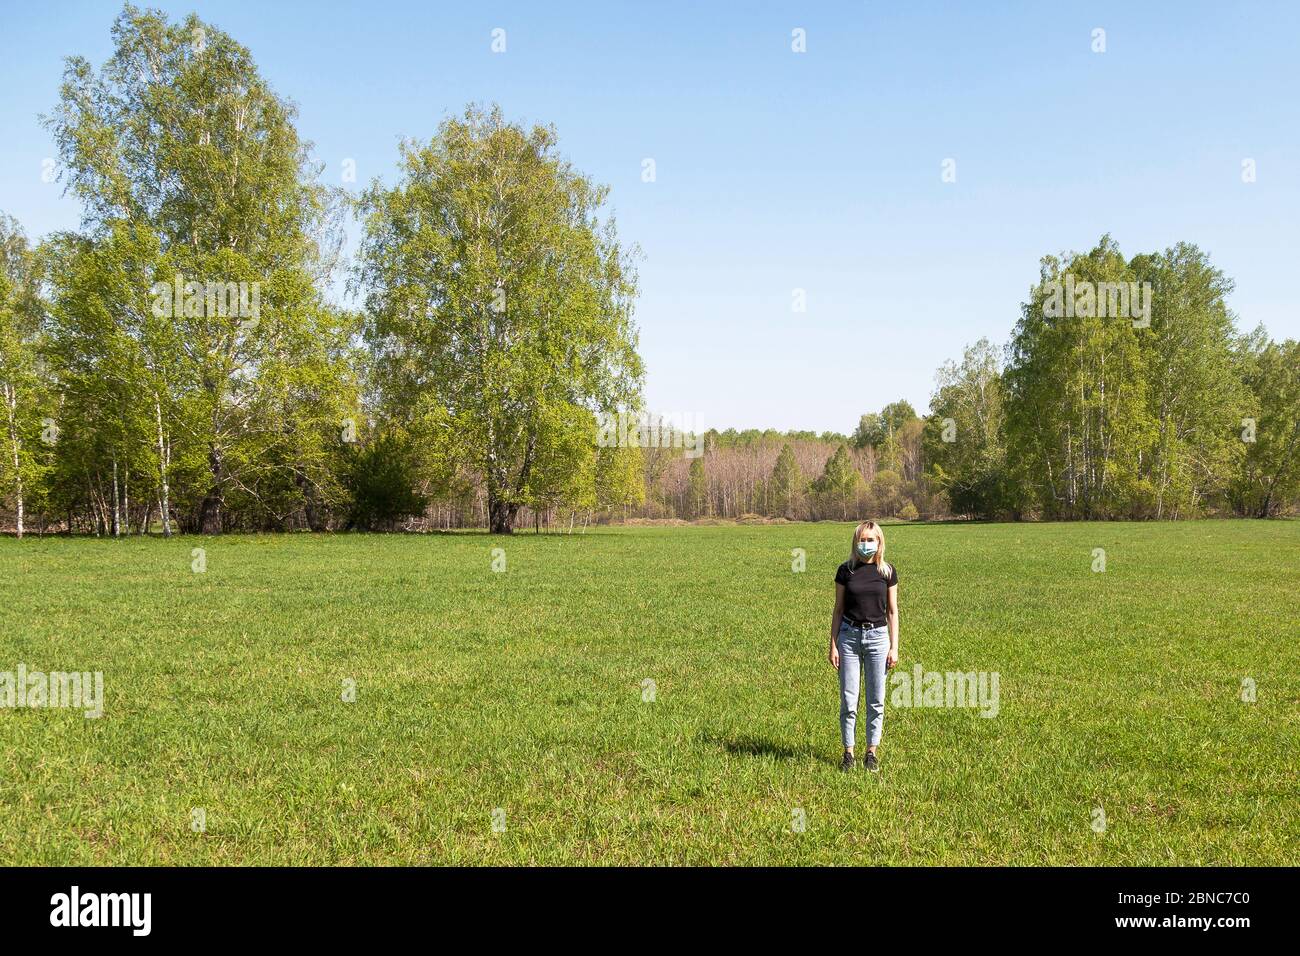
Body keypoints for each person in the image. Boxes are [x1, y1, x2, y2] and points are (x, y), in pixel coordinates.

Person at [828, 520, 899, 772]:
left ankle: (871, 752)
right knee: (849, 700)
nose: (866, 544)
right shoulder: (845, 571)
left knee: (876, 700)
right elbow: (837, 610)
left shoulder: (887, 572)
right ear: (855, 541)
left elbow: (892, 611)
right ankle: (848, 752)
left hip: (879, 639)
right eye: (862, 539)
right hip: (848, 637)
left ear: (879, 543)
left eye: (871, 540)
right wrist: (833, 644)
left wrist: (894, 646)